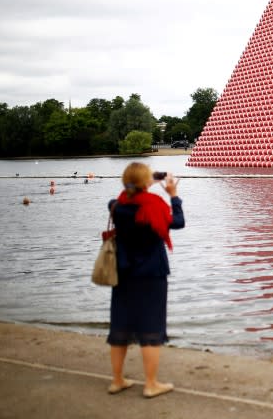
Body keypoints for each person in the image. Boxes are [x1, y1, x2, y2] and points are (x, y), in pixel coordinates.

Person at [106, 162, 185, 398]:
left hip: (123, 272)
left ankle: (117, 380)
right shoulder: (154, 206)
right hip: (151, 274)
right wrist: (174, 196)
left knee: (120, 326)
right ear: (146, 183)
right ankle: (151, 384)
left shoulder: (116, 206)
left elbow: (119, 200)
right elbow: (178, 222)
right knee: (151, 328)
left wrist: (141, 184)